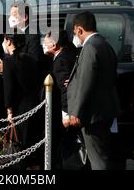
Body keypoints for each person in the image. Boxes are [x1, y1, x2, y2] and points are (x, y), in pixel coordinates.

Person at [67, 11, 122, 170]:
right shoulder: (105, 45)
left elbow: (86, 82)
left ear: (79, 29)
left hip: (93, 114)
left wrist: (76, 112)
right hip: (106, 110)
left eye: (75, 32)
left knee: (97, 158)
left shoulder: (90, 47)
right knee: (104, 154)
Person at [2, 32, 41, 169]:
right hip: (33, 104)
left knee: (20, 143)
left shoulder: (8, 60)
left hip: (18, 107)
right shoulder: (30, 59)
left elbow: (9, 88)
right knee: (31, 141)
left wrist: (9, 111)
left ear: (9, 42)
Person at [43, 29, 78, 168]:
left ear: (54, 45)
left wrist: (66, 114)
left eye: (45, 41)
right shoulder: (70, 53)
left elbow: (65, 90)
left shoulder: (61, 60)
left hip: (65, 112)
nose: (43, 44)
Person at [0, 0, 44, 74]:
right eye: (10, 15)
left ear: (25, 17)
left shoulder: (33, 36)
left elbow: (33, 62)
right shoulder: (11, 34)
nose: (10, 18)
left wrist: (6, 67)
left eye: (14, 15)